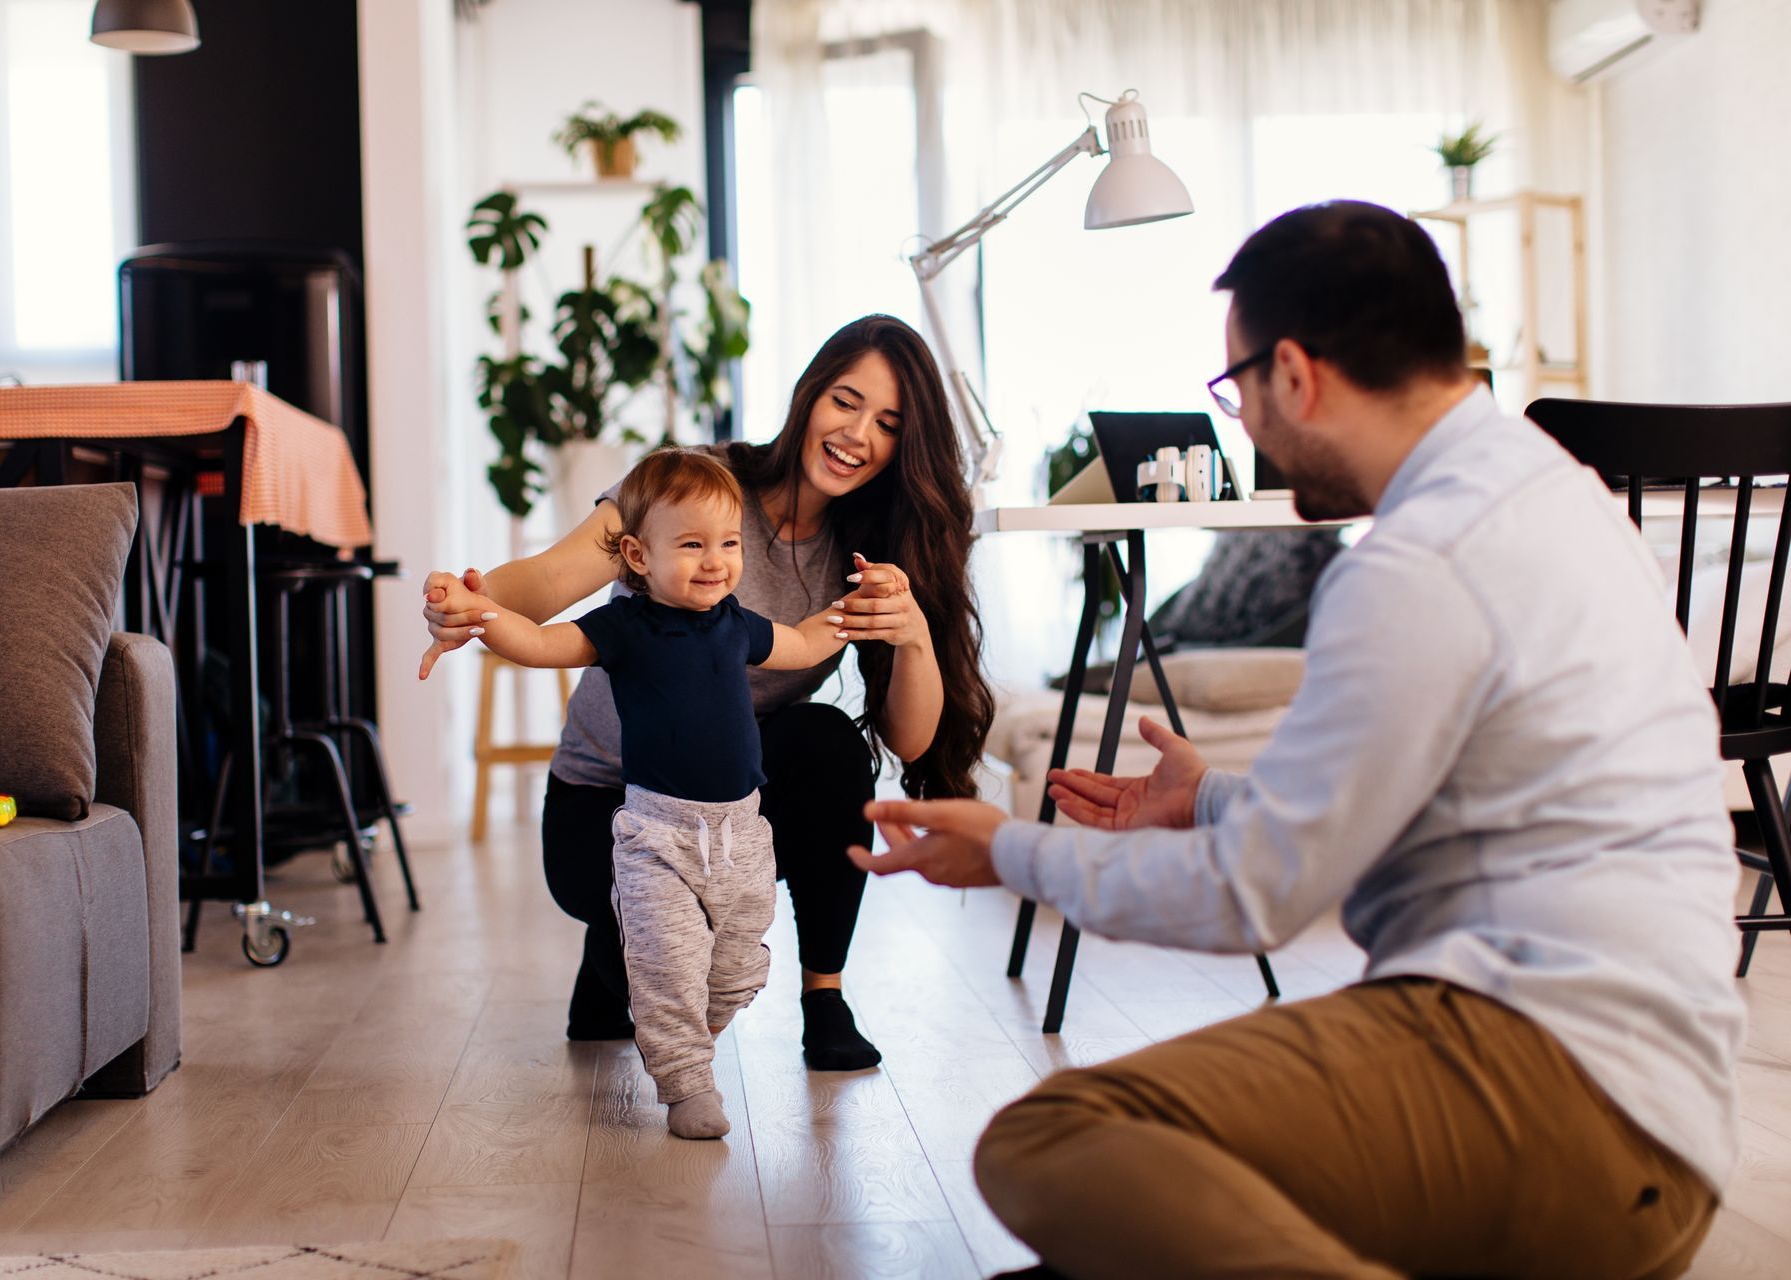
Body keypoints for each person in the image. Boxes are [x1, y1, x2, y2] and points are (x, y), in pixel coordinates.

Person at [849, 202, 1745, 1279]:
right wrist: (1212, 796)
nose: (1243, 427)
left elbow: (1251, 896)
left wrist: (1006, 847)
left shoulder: (1421, 558)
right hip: (1647, 1106)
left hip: (1563, 1083)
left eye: (1234, 392)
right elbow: (1410, 792)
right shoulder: (1551, 495)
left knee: (1056, 1136)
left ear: (1296, 374)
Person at [423, 314, 995, 1071]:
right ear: (810, 394)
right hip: (610, 804)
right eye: (846, 401)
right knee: (644, 983)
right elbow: (552, 579)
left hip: (729, 812)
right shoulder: (691, 485)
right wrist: (473, 601)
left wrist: (914, 634)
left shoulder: (873, 546)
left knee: (828, 745)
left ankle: (824, 999)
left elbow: (912, 741)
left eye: (887, 424)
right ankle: (617, 949)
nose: (857, 433)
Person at [423, 449, 849, 1137]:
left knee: (737, 971)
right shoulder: (624, 627)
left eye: (728, 544)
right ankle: (686, 1084)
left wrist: (849, 614)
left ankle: (685, 1037)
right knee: (668, 967)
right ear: (638, 555)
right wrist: (478, 611)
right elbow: (534, 642)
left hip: (742, 836)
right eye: (691, 545)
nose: (715, 561)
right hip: (657, 838)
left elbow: (800, 645)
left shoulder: (736, 622)